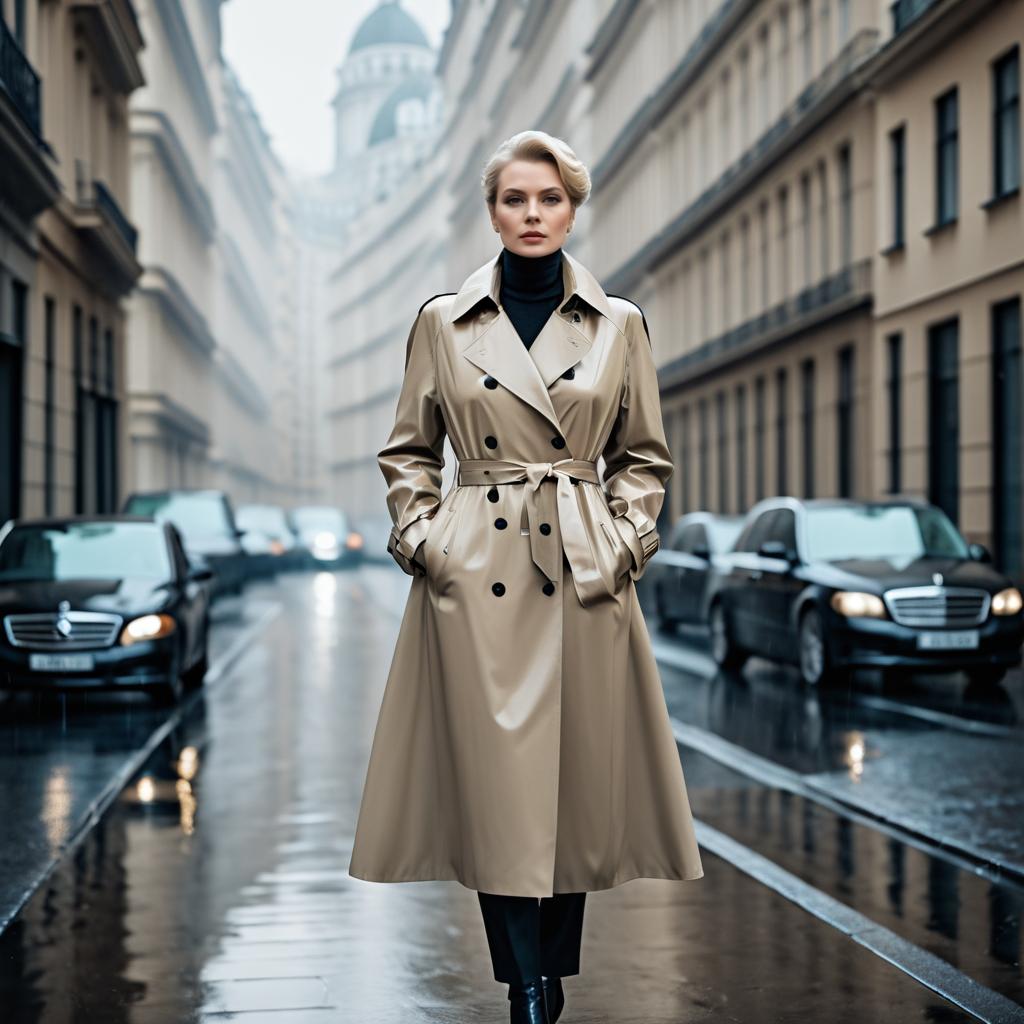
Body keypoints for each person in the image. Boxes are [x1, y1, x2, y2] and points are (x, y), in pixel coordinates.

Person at [348, 130, 704, 1024]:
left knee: (573, 793)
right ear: (493, 211)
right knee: (501, 794)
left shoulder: (620, 323)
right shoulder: (443, 320)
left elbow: (644, 458)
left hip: (583, 573)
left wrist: (625, 542)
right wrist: (429, 543)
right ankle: (528, 991)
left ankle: (548, 978)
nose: (533, 214)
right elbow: (407, 452)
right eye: (516, 199)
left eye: (549, 199)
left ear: (572, 208)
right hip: (480, 577)